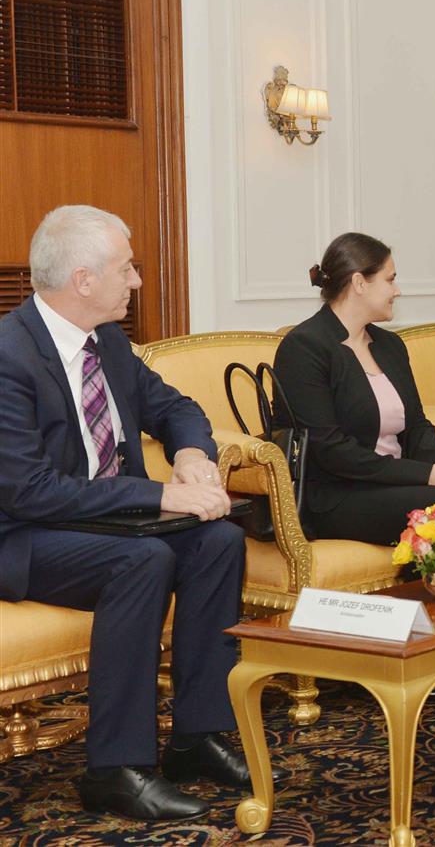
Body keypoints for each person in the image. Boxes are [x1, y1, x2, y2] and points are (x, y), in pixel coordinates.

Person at [0, 206, 251, 821]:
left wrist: (191, 455)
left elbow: (176, 406)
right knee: (142, 559)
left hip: (104, 520)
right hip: (27, 534)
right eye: (126, 268)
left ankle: (197, 735)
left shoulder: (106, 342)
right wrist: (162, 495)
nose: (136, 281)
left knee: (219, 540)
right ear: (83, 280)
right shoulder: (8, 356)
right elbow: (28, 491)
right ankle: (114, 768)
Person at [274, 233, 435, 696]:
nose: (398, 289)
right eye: (391, 279)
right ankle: (420, 654)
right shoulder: (305, 348)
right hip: (336, 493)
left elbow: (416, 428)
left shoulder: (389, 346)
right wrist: (426, 475)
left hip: (391, 482)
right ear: (359, 283)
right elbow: (332, 450)